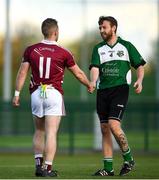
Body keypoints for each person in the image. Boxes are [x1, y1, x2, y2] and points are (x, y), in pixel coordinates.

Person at [12, 18, 93, 177]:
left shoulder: (31, 50)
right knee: (51, 132)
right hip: (53, 94)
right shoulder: (64, 52)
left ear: (44, 31)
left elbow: (22, 73)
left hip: (36, 93)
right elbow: (78, 73)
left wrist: (16, 94)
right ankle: (47, 169)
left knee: (39, 131)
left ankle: (38, 165)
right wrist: (89, 84)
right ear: (55, 32)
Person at [89, 16, 146, 176]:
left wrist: (140, 80)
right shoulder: (98, 48)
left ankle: (129, 158)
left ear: (113, 28)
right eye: (100, 27)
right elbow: (94, 67)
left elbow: (140, 65)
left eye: (104, 27)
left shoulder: (127, 46)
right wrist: (93, 81)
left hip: (120, 89)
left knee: (114, 125)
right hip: (102, 91)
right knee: (105, 128)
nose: (101, 30)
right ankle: (108, 168)